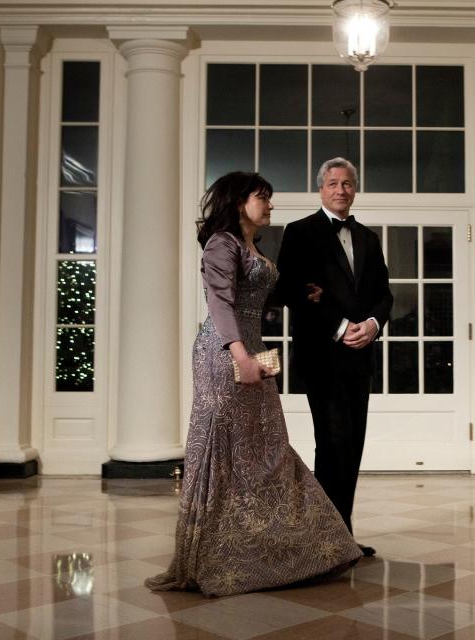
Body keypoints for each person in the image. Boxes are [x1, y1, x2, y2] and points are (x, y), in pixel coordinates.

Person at [146, 171, 361, 597]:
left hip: (255, 349)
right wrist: (239, 355)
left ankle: (278, 548)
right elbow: (220, 302)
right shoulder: (221, 244)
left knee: (267, 446)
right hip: (225, 352)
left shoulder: (252, 247)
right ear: (238, 201)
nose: (270, 205)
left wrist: (303, 296)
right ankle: (216, 556)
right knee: (226, 447)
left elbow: (259, 295)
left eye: (269, 198)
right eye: (262, 198)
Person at [277, 158, 393, 557]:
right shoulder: (300, 232)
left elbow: (384, 294)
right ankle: (322, 538)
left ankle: (341, 536)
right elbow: (294, 289)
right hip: (322, 355)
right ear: (321, 190)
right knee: (333, 441)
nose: (340, 189)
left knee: (352, 444)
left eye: (347, 183)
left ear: (354, 189)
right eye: (333, 183)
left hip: (361, 356)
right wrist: (342, 326)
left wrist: (374, 324)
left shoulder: (368, 238)